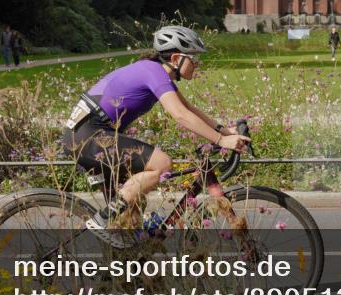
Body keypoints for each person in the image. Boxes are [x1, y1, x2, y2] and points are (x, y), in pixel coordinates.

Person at [62, 25, 250, 247]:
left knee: (133, 218)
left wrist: (224, 131)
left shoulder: (156, 72)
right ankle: (103, 220)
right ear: (177, 58)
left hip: (94, 136)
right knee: (162, 163)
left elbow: (188, 108)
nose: (198, 64)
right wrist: (221, 141)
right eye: (194, 58)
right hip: (86, 136)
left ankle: (125, 273)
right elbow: (180, 115)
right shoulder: (153, 72)